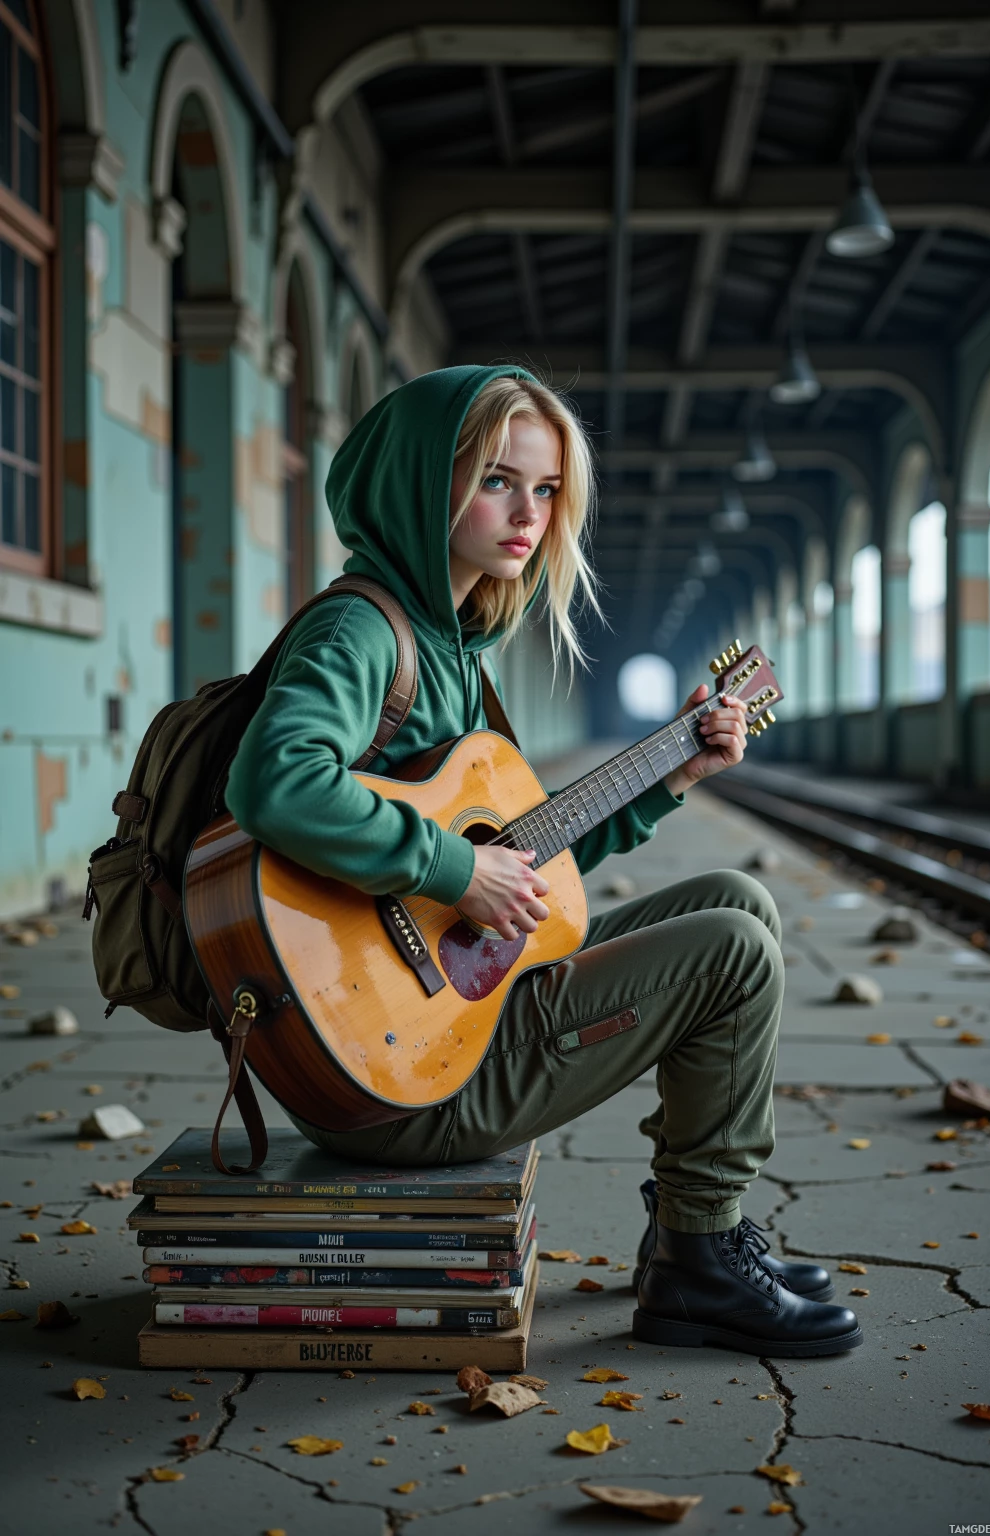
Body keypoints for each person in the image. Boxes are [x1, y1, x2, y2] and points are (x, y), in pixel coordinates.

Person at [225, 364, 862, 1359]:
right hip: (397, 1077)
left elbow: (525, 857)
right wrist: (449, 871)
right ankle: (696, 1261)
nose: (528, 513)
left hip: (444, 1018)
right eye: (496, 480)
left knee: (738, 900)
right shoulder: (361, 630)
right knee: (733, 955)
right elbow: (273, 785)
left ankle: (702, 1232)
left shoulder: (447, 645)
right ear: (419, 480)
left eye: (548, 489)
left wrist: (673, 774)